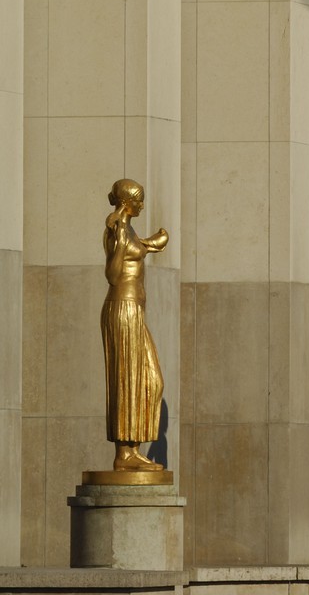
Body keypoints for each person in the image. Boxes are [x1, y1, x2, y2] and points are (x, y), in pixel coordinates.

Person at [100, 179, 169, 471]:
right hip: (122, 308)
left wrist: (150, 244)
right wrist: (124, 244)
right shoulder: (117, 230)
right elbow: (114, 274)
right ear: (128, 202)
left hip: (134, 310)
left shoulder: (128, 230)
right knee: (127, 376)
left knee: (151, 379)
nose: (142, 205)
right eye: (139, 200)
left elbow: (136, 249)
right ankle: (125, 453)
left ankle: (133, 448)